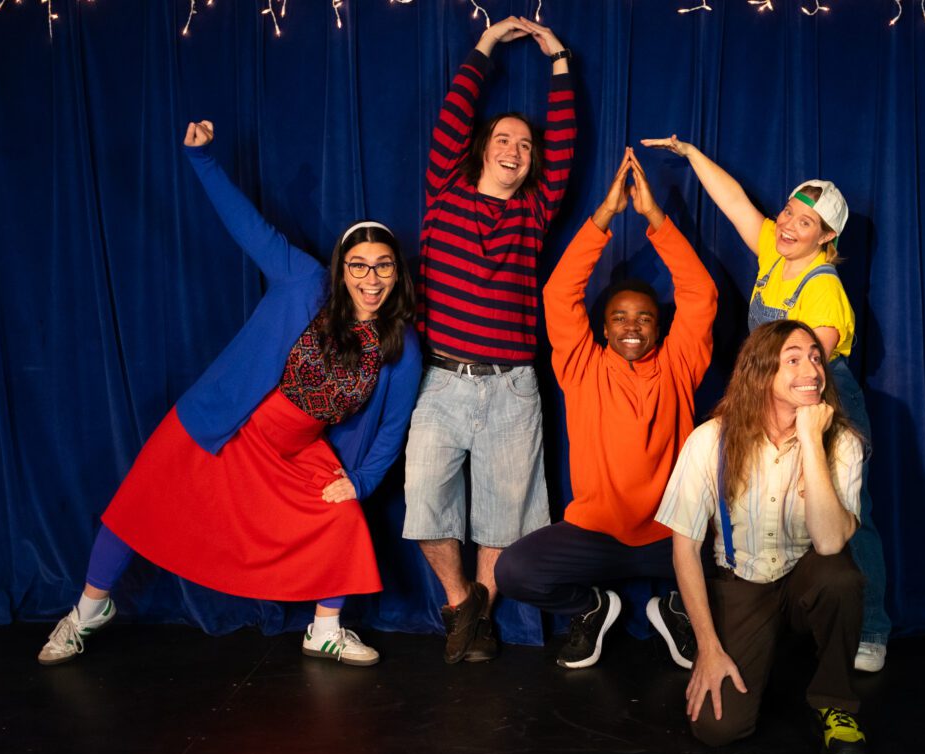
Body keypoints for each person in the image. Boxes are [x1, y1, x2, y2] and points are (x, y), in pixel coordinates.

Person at [38, 120, 422, 668]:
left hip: (296, 451)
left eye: (383, 266)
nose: (372, 278)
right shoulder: (304, 282)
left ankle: (324, 630)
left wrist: (359, 481)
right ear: (342, 271)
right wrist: (203, 160)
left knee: (341, 519)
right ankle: (86, 612)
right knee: (134, 509)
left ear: (396, 274)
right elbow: (250, 228)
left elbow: (392, 427)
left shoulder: (400, 344)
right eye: (359, 266)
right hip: (227, 424)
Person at [641, 134, 890, 673]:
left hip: (818, 393)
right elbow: (733, 201)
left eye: (805, 221)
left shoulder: (825, 290)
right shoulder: (776, 254)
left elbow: (808, 372)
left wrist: (771, 410)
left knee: (851, 513)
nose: (788, 224)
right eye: (788, 212)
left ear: (827, 237)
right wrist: (691, 154)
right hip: (770, 388)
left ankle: (870, 628)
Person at [495, 149, 717, 669]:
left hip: (671, 535)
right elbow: (559, 294)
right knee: (514, 572)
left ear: (660, 327)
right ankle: (592, 607)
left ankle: (678, 607)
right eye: (620, 318)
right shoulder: (582, 366)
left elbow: (700, 293)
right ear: (604, 327)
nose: (632, 327)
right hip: (594, 534)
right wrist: (605, 216)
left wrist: (654, 219)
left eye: (644, 318)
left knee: (746, 570)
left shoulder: (680, 364)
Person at [403, 16, 576, 664]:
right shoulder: (443, 193)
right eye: (503, 138)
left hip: (511, 387)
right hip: (443, 381)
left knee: (505, 516)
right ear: (481, 150)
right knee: (425, 500)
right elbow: (453, 118)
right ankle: (462, 606)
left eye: (525, 145)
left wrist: (559, 61)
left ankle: (476, 616)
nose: (515, 149)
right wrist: (485, 45)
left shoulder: (534, 211)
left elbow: (564, 145)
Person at [656, 320, 868, 754]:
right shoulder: (710, 441)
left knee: (841, 578)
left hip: (806, 574)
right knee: (717, 729)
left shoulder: (842, 443)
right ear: (761, 372)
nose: (811, 370)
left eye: (815, 358)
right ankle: (748, 644)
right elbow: (684, 550)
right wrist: (709, 648)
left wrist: (811, 440)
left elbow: (830, 543)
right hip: (743, 582)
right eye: (793, 360)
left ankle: (835, 700)